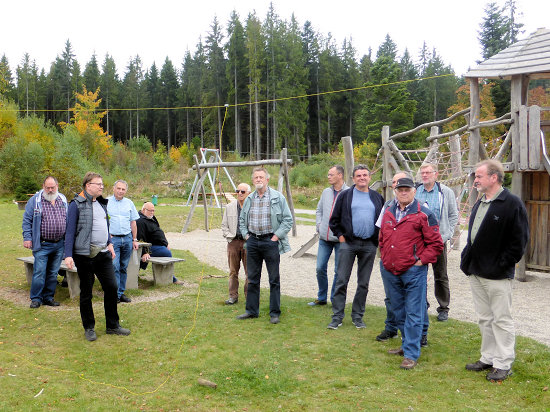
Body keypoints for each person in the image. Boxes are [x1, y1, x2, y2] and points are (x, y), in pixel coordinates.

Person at [460, 160, 528, 382]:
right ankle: (488, 357)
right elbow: (474, 235)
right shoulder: (481, 201)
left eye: (479, 176)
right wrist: (466, 259)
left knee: (501, 319)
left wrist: (502, 264)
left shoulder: (512, 204)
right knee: (484, 318)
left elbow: (518, 242)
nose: (475, 180)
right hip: (477, 272)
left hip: (497, 274)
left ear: (494, 177)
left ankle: (503, 363)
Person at [379, 177, 443, 370]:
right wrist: (384, 257)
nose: (403, 192)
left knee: (414, 312)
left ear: (414, 191)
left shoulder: (424, 213)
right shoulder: (389, 211)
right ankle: (407, 344)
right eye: (400, 189)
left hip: (413, 271)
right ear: (395, 191)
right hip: (390, 269)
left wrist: (420, 261)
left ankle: (411, 354)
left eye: (407, 189)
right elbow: (382, 237)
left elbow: (436, 244)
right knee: (398, 310)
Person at [64, 172, 131, 342]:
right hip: (84, 255)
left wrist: (109, 242)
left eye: (102, 184)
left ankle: (112, 326)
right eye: (98, 184)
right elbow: (70, 232)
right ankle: (89, 327)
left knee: (111, 287)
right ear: (88, 185)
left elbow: (105, 225)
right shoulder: (76, 204)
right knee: (86, 292)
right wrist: (68, 255)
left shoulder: (101, 203)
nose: (102, 187)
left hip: (103, 254)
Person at [327, 164, 384, 330]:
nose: (362, 178)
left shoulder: (376, 197)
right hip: (349, 244)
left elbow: (381, 221)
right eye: (359, 175)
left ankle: (358, 316)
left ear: (369, 177)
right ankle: (337, 317)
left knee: (363, 283)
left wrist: (377, 240)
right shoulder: (345, 196)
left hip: (369, 245)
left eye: (365, 175)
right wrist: (342, 237)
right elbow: (334, 220)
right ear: (353, 178)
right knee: (341, 280)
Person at [236, 167, 293, 324]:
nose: (258, 180)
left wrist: (276, 237)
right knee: (253, 278)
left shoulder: (277, 197)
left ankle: (274, 313)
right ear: (253, 181)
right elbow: (242, 220)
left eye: (261, 177)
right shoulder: (249, 199)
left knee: (274, 279)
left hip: (270, 241)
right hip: (253, 242)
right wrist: (247, 235)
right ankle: (251, 311)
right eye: (256, 178)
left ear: (267, 180)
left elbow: (288, 220)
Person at [415, 163, 458, 322]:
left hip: (438, 240)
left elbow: (453, 215)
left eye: (428, 172)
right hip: (419, 241)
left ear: (436, 174)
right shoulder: (416, 190)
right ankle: (422, 304)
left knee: (440, 275)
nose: (425, 175)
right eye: (423, 172)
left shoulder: (445, 192)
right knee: (418, 273)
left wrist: (447, 234)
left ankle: (443, 307)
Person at [22, 176, 68, 308]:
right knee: (39, 272)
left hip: (59, 243)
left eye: (52, 187)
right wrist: (27, 237)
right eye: (47, 187)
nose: (50, 190)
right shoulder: (35, 200)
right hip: (42, 243)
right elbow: (27, 220)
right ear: (43, 187)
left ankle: (48, 297)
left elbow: (67, 219)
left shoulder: (63, 199)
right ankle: (36, 299)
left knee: (53, 273)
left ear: (57, 186)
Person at [374, 171, 408, 341]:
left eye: (400, 182)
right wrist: (383, 254)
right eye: (395, 182)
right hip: (389, 261)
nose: (397, 185)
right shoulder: (388, 205)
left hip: (409, 262)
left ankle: (418, 334)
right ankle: (391, 327)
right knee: (390, 296)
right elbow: (381, 231)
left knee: (413, 300)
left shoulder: (417, 206)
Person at [308, 165, 349, 306]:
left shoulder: (349, 192)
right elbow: (319, 210)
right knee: (320, 268)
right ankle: (321, 297)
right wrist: (319, 225)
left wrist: (345, 233)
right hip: (324, 238)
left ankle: (335, 299)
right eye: (328, 174)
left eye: (331, 174)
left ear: (340, 175)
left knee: (338, 270)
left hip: (340, 239)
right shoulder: (326, 192)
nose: (328, 177)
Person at [107, 180, 139, 303]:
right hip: (113, 239)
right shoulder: (106, 202)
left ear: (126, 191)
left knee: (123, 267)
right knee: (114, 266)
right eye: (118, 188)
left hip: (127, 238)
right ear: (113, 188)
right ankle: (113, 294)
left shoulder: (129, 203)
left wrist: (135, 239)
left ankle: (120, 294)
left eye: (123, 189)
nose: (120, 191)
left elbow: (133, 222)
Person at [136, 202, 184, 284]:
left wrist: (166, 243)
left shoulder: (150, 217)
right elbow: (140, 238)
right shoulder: (140, 221)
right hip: (149, 246)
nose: (152, 212)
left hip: (156, 244)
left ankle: (169, 277)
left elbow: (158, 231)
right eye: (150, 210)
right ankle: (171, 278)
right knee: (166, 253)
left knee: (165, 250)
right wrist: (145, 252)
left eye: (153, 210)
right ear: (143, 210)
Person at [221, 183, 251, 304]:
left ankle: (250, 296)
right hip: (233, 242)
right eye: (237, 191)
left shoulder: (253, 207)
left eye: (242, 191)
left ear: (249, 193)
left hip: (248, 243)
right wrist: (229, 237)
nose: (239, 193)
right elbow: (224, 225)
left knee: (250, 271)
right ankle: (233, 296)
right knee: (233, 271)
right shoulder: (229, 207)